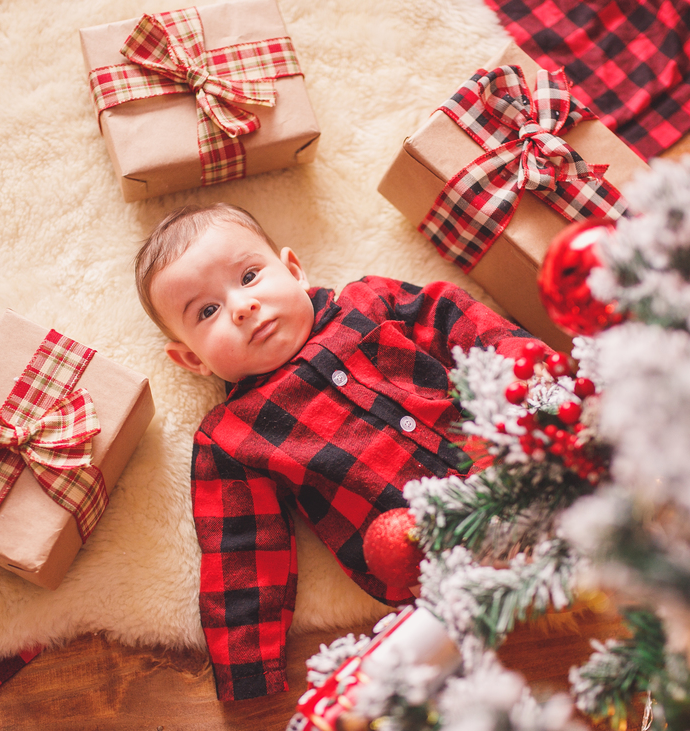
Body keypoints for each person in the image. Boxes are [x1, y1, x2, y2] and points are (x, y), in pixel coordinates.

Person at [135, 202, 541, 701]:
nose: (241, 306)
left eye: (249, 275)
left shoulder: (371, 302)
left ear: (295, 269)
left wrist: (540, 382)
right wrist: (249, 671)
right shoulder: (231, 437)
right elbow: (243, 549)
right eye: (207, 311)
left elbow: (460, 321)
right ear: (190, 358)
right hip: (435, 561)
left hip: (526, 458)